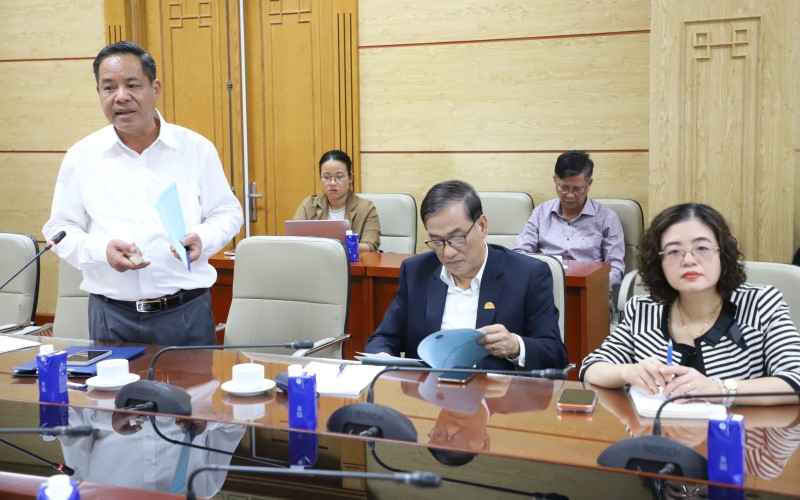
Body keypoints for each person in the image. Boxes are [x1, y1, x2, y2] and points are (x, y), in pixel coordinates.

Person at [42, 41, 243, 346]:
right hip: (111, 316)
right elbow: (59, 230)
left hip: (185, 312)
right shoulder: (82, 156)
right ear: (99, 93)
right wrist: (101, 250)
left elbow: (227, 213)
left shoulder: (195, 149)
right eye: (109, 87)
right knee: (110, 382)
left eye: (132, 85)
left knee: (193, 381)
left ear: (155, 88)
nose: (121, 96)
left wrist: (203, 237)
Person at [580, 203, 800, 406]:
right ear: (659, 262)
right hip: (659, 434)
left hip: (738, 434)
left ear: (722, 254)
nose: (688, 260)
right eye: (674, 251)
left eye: (702, 248)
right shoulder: (643, 310)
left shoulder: (760, 304)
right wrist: (628, 372)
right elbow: (591, 368)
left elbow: (795, 379)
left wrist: (719, 389)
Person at [365, 180, 567, 371]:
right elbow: (382, 338)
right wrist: (382, 356)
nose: (448, 252)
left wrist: (516, 346)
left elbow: (555, 354)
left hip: (495, 392)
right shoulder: (416, 271)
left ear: (482, 226)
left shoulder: (527, 274)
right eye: (437, 242)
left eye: (457, 238)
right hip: (427, 391)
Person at [514, 150, 625, 292]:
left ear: (589, 184)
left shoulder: (607, 218)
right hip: (545, 289)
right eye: (564, 188)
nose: (570, 195)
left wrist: (593, 284)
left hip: (590, 291)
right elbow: (520, 253)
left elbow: (616, 268)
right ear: (555, 181)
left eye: (577, 189)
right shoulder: (541, 213)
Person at [293, 150, 380, 253]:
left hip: (351, 262)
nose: (332, 183)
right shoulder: (309, 205)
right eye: (326, 177)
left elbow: (370, 246)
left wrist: (335, 247)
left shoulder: (366, 208)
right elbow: (294, 240)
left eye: (339, 177)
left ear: (350, 178)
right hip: (315, 260)